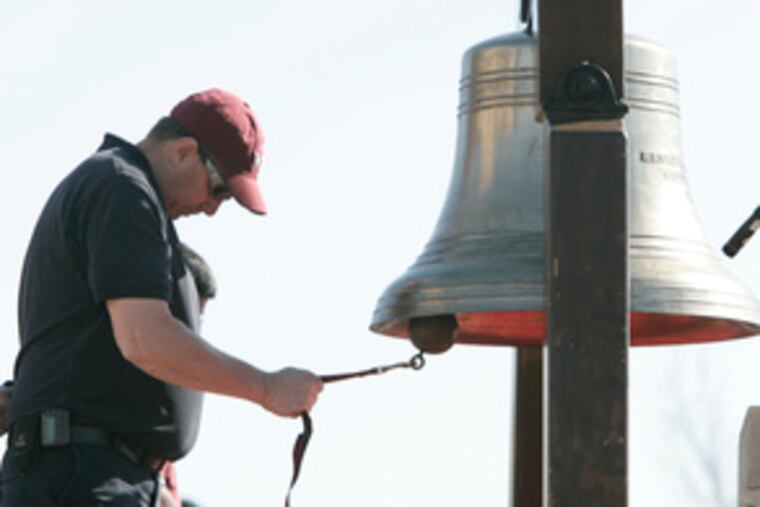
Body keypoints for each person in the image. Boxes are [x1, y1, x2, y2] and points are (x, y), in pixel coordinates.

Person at [0, 88, 323, 506]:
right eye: (220, 189)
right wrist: (266, 387)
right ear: (184, 152)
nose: (212, 208)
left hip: (95, 473)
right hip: (82, 476)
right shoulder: (122, 189)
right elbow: (144, 339)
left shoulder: (124, 191)